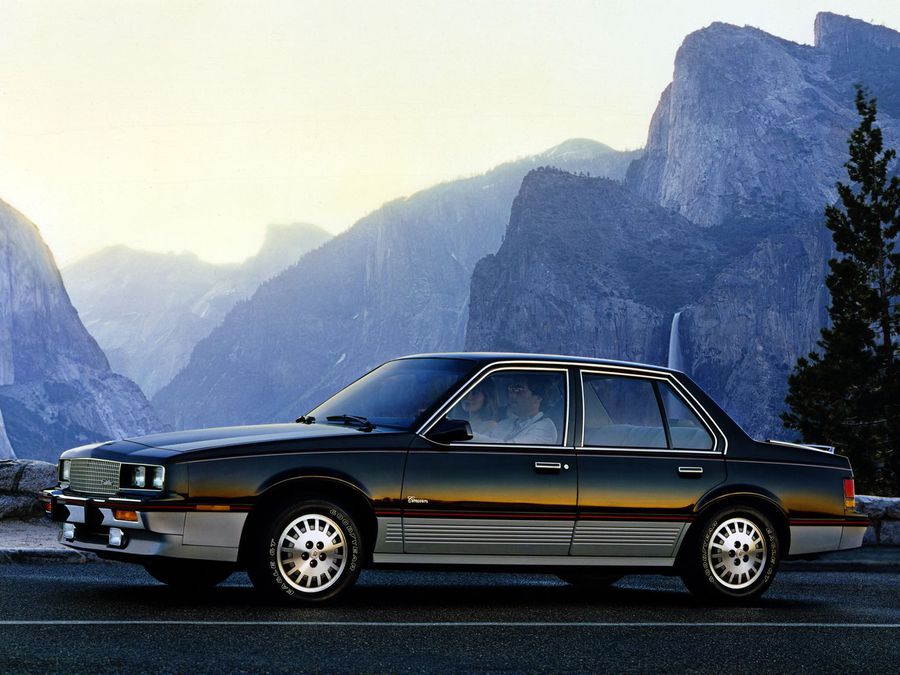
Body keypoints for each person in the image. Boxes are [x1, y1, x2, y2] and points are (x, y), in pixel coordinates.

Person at [478, 374, 558, 445]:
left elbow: (508, 450)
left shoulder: (545, 428)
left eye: (518, 390)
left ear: (538, 398)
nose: (511, 395)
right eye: (511, 389)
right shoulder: (506, 424)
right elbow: (480, 441)